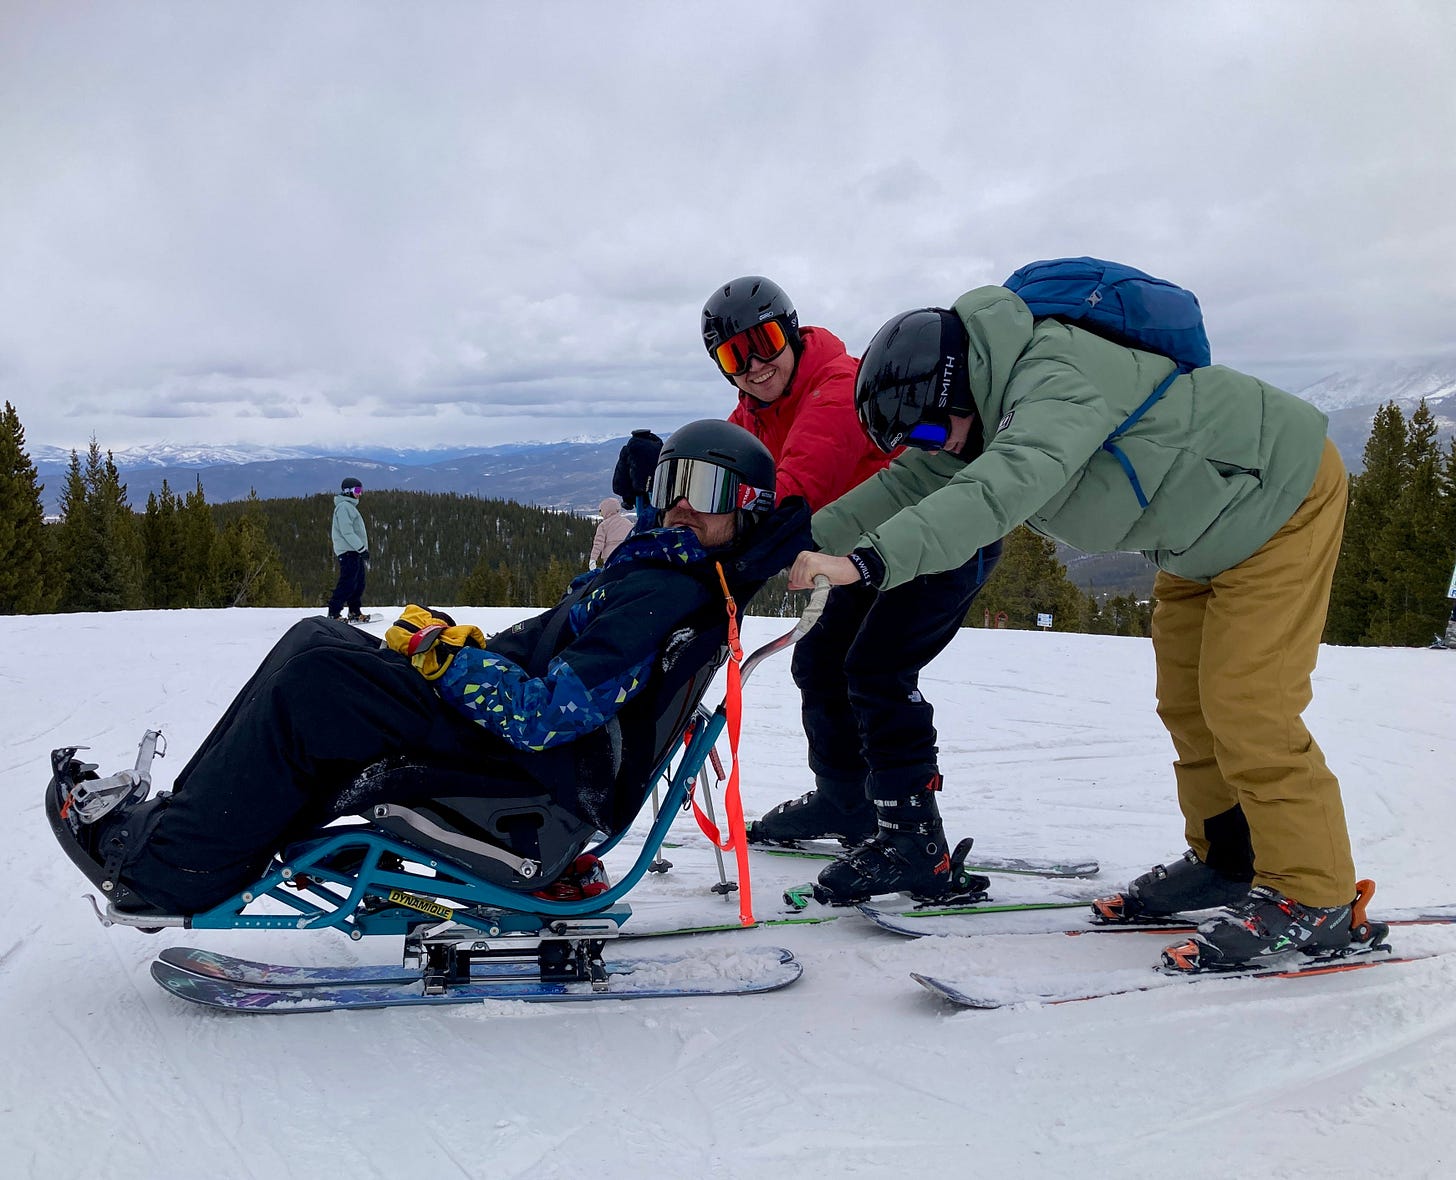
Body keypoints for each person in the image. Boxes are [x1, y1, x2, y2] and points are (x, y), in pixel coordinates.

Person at [789, 285, 1362, 971]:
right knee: (1187, 705)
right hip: (1197, 538)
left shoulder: (1055, 378)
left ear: (957, 384)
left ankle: (1315, 897)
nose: (933, 448)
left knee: (1249, 704)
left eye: (934, 431)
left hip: (1279, 500)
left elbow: (1000, 485)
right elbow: (903, 486)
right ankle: (1228, 861)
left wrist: (865, 562)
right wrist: (782, 546)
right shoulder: (982, 404)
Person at [53, 421, 811, 917]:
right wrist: (465, 645)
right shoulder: (661, 572)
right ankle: (181, 834)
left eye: (705, 492)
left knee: (315, 672)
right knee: (316, 645)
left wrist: (446, 660)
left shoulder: (665, 591)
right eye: (670, 484)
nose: (681, 506)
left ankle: (165, 871)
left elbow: (546, 715)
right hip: (523, 751)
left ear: (743, 508)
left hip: (531, 769)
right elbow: (551, 648)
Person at [700, 275, 1002, 905]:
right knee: (820, 663)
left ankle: (916, 844)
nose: (754, 365)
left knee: (876, 671)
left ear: (790, 330)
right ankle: (847, 803)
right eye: (734, 355)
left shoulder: (836, 387)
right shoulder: (755, 409)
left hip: (938, 540)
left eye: (763, 341)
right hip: (857, 552)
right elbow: (732, 480)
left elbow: (795, 488)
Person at [327, 477, 371, 622]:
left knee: (358, 583)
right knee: (347, 583)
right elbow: (347, 532)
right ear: (347, 491)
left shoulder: (349, 507)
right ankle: (334, 612)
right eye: (357, 490)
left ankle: (354, 611)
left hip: (354, 551)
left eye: (361, 490)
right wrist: (361, 548)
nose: (360, 494)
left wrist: (360, 549)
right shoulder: (344, 507)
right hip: (348, 551)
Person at [589, 496, 633, 568]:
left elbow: (598, 543)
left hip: (610, 557)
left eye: (601, 511)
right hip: (626, 554)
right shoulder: (628, 523)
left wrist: (593, 559)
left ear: (606, 510)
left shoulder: (603, 525)